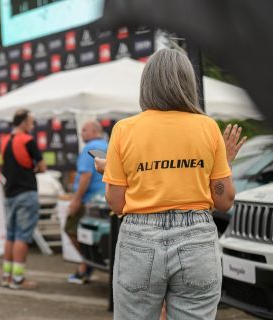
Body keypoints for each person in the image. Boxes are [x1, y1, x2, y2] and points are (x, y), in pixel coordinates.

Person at [101, 49, 246, 320]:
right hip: (197, 240)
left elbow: (116, 203)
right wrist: (223, 163)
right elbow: (224, 200)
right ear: (188, 83)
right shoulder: (208, 127)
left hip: (139, 241)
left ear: (146, 84)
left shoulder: (124, 130)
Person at [0, 109, 47, 289]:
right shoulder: (28, 141)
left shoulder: (5, 141)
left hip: (9, 194)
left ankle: (7, 276)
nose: (32, 125)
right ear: (23, 123)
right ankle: (18, 279)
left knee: (10, 236)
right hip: (26, 193)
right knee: (22, 236)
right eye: (31, 122)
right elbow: (42, 167)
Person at [65, 120, 108, 284]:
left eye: (84, 130)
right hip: (104, 200)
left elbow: (86, 176)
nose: (81, 133)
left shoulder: (89, 149)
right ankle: (85, 266)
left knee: (71, 228)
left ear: (95, 131)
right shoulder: (107, 145)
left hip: (89, 201)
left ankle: (86, 265)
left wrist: (76, 200)